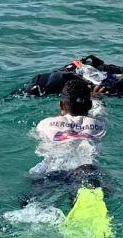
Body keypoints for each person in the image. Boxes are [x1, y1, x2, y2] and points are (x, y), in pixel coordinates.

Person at [23, 75, 107, 206]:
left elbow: (36, 139)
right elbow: (99, 109)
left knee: (30, 203)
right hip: (84, 170)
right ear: (89, 105)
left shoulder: (45, 124)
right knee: (87, 196)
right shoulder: (99, 123)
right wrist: (96, 97)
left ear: (61, 104)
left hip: (51, 170)